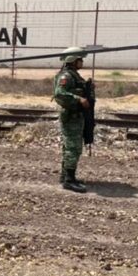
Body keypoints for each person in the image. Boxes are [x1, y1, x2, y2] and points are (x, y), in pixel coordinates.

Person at [52, 46, 92, 193]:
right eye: (79, 59)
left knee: (70, 147)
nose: (82, 62)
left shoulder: (73, 75)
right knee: (73, 148)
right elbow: (59, 94)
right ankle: (69, 180)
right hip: (71, 117)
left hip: (76, 116)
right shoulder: (66, 76)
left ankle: (66, 176)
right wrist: (78, 99)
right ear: (72, 60)